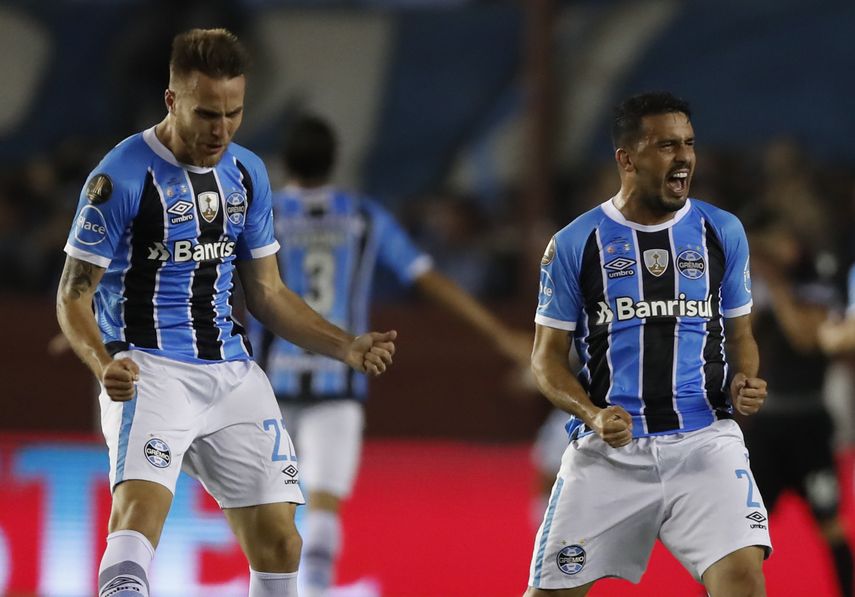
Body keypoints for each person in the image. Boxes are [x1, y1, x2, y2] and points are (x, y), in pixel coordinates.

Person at [56, 29, 396, 597]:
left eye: (233, 113)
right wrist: (102, 363)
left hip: (231, 373)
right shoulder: (120, 177)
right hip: (148, 369)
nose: (221, 129)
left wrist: (345, 345)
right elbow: (71, 296)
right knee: (138, 517)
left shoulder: (247, 174)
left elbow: (268, 293)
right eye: (207, 113)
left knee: (282, 543)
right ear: (172, 99)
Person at [252, 114, 531, 597]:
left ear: (284, 162)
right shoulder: (363, 216)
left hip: (270, 386)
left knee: (271, 512)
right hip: (339, 382)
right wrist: (500, 335)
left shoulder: (261, 213)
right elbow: (428, 279)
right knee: (324, 506)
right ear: (335, 161)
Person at [525, 91, 770, 597]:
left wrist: (745, 380)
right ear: (627, 159)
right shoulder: (574, 243)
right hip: (609, 451)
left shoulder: (722, 231)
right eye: (666, 145)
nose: (684, 157)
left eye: (689, 144)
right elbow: (545, 360)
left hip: (704, 442)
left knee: (744, 579)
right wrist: (592, 415)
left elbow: (740, 334)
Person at [746, 220, 853, 597]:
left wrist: (777, 286)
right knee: (744, 531)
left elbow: (806, 340)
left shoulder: (816, 285)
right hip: (767, 428)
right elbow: (740, 340)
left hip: (809, 426)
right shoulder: (755, 289)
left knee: (831, 524)